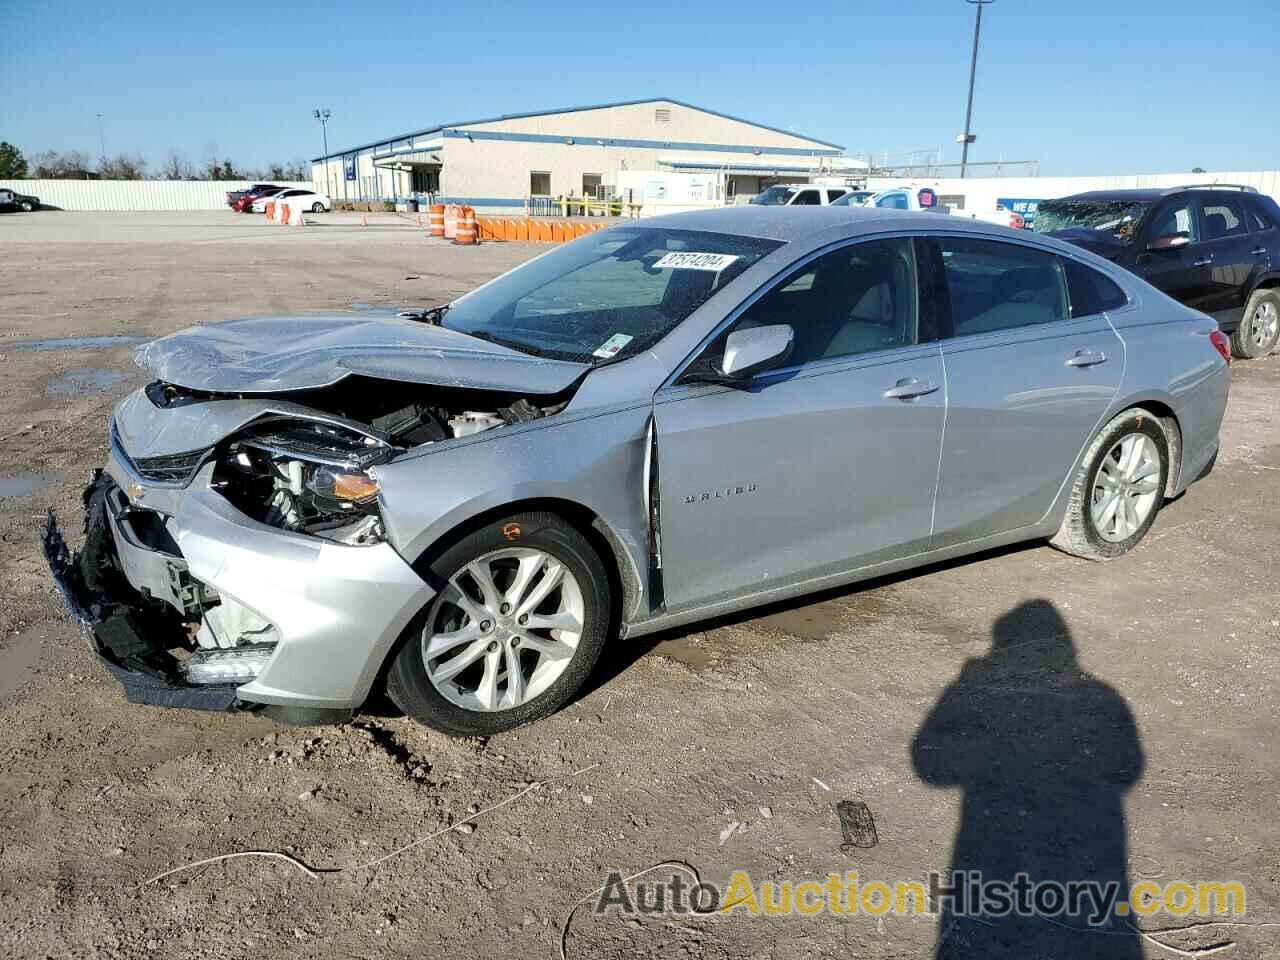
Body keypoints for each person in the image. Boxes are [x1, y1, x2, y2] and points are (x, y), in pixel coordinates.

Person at [912, 599, 1144, 959]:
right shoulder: (1103, 696)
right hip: (1086, 868)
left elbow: (928, 766)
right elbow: (1129, 768)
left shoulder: (976, 684)